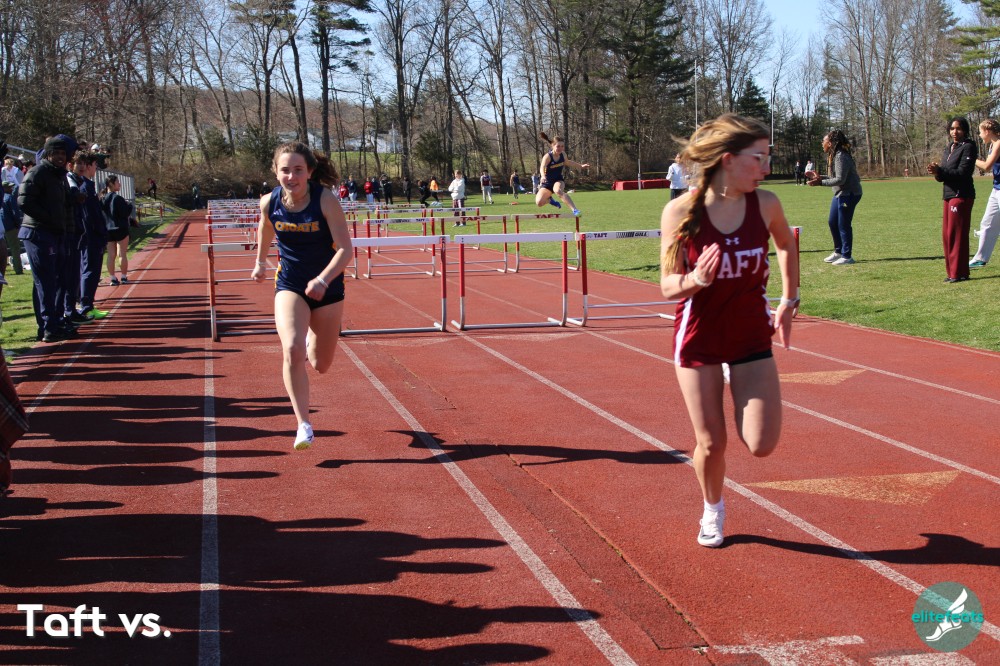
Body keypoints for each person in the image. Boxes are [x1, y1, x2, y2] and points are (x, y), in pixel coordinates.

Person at [659, 113, 799, 548]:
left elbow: (786, 243)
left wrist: (789, 299)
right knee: (712, 442)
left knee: (761, 443)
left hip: (749, 335)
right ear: (728, 159)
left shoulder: (766, 204)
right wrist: (696, 280)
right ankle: (712, 509)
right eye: (759, 158)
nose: (766, 168)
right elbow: (667, 286)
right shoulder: (681, 210)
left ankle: (735, 378)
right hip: (699, 337)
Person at [251, 142, 352, 450]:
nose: (291, 177)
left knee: (321, 364)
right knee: (292, 349)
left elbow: (346, 250)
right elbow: (265, 229)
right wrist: (260, 262)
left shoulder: (325, 200)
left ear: (309, 172)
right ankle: (303, 424)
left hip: (328, 286)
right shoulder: (269, 202)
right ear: (275, 172)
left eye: (298, 170)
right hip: (290, 284)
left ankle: (311, 337)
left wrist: (322, 279)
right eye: (285, 170)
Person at [19, 135, 78, 343]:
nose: (61, 157)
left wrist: (72, 199)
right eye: (56, 154)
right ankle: (47, 327)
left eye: (63, 154)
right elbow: (24, 201)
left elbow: (59, 202)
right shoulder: (38, 172)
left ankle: (55, 322)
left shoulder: (58, 176)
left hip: (54, 233)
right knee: (45, 281)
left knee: (57, 280)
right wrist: (48, 219)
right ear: (48, 154)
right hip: (37, 233)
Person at [927, 117, 977, 283]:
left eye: (958, 128)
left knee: (957, 236)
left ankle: (958, 273)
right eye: (952, 129)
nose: (955, 132)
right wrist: (936, 172)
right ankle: (953, 273)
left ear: (965, 130)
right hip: (948, 195)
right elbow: (944, 174)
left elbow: (963, 173)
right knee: (947, 236)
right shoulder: (949, 147)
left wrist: (941, 171)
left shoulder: (969, 146)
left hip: (961, 195)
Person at [807, 130, 863, 266]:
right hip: (840, 194)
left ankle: (847, 256)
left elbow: (840, 180)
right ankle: (838, 252)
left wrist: (820, 183)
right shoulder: (835, 156)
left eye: (824, 141)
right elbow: (835, 177)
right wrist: (820, 178)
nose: (822, 143)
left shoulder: (841, 156)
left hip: (849, 194)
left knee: (843, 224)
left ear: (830, 143)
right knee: (832, 222)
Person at [535, 132, 590, 216]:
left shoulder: (563, 154)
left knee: (558, 191)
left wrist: (581, 166)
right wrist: (542, 176)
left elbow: (568, 162)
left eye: (562, 146)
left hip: (558, 180)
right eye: (558, 146)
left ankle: (575, 210)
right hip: (547, 182)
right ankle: (550, 200)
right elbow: (542, 167)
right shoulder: (548, 157)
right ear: (553, 146)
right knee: (539, 203)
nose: (560, 148)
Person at [970, 118, 1000, 269]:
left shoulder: (999, 143)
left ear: (987, 131)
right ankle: (980, 258)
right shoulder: (992, 145)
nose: (980, 135)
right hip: (996, 189)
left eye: (980, 132)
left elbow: (987, 166)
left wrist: (970, 158)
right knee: (987, 223)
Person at [103, 174, 135, 286]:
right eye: (117, 182)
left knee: (111, 255)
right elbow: (125, 213)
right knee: (122, 254)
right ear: (111, 184)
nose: (120, 184)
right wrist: (129, 206)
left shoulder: (103, 199)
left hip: (108, 229)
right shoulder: (118, 198)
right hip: (120, 229)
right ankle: (124, 277)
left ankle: (112, 278)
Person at [0, 181, 22, 276]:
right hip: (11, 226)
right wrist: (18, 224)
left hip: (3, 225)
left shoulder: (2, 198)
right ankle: (18, 269)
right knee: (15, 248)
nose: (11, 188)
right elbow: (15, 212)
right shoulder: (9, 197)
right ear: (4, 188)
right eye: (9, 187)